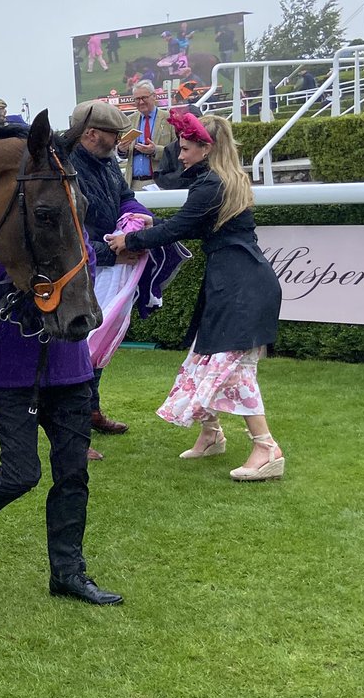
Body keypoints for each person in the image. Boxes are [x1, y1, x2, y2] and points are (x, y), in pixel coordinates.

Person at [0, 237, 122, 605]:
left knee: (73, 474)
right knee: (21, 473)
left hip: (69, 365)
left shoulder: (63, 220)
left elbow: (86, 266)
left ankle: (68, 574)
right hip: (8, 368)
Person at [105, 112, 285, 481]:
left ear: (207, 148)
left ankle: (267, 448)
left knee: (232, 368)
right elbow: (191, 222)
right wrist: (154, 226)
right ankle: (211, 434)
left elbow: (180, 228)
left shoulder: (211, 184)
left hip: (239, 287)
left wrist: (130, 240)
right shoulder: (223, 180)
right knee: (202, 359)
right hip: (238, 281)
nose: (180, 156)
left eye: (185, 149)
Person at [67, 100, 152, 444]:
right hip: (76, 276)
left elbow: (127, 198)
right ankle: (72, 430)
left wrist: (139, 223)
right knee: (76, 352)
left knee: (99, 347)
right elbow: (66, 233)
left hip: (106, 269)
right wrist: (114, 251)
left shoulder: (106, 163)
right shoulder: (64, 167)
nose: (119, 140)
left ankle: (90, 410)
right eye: (114, 134)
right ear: (90, 134)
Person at [123, 80, 175, 190]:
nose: (141, 102)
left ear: (154, 96)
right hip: (134, 184)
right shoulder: (129, 121)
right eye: (137, 99)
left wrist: (155, 150)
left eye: (144, 98)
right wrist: (122, 150)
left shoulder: (169, 119)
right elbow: (123, 154)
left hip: (160, 183)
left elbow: (177, 151)